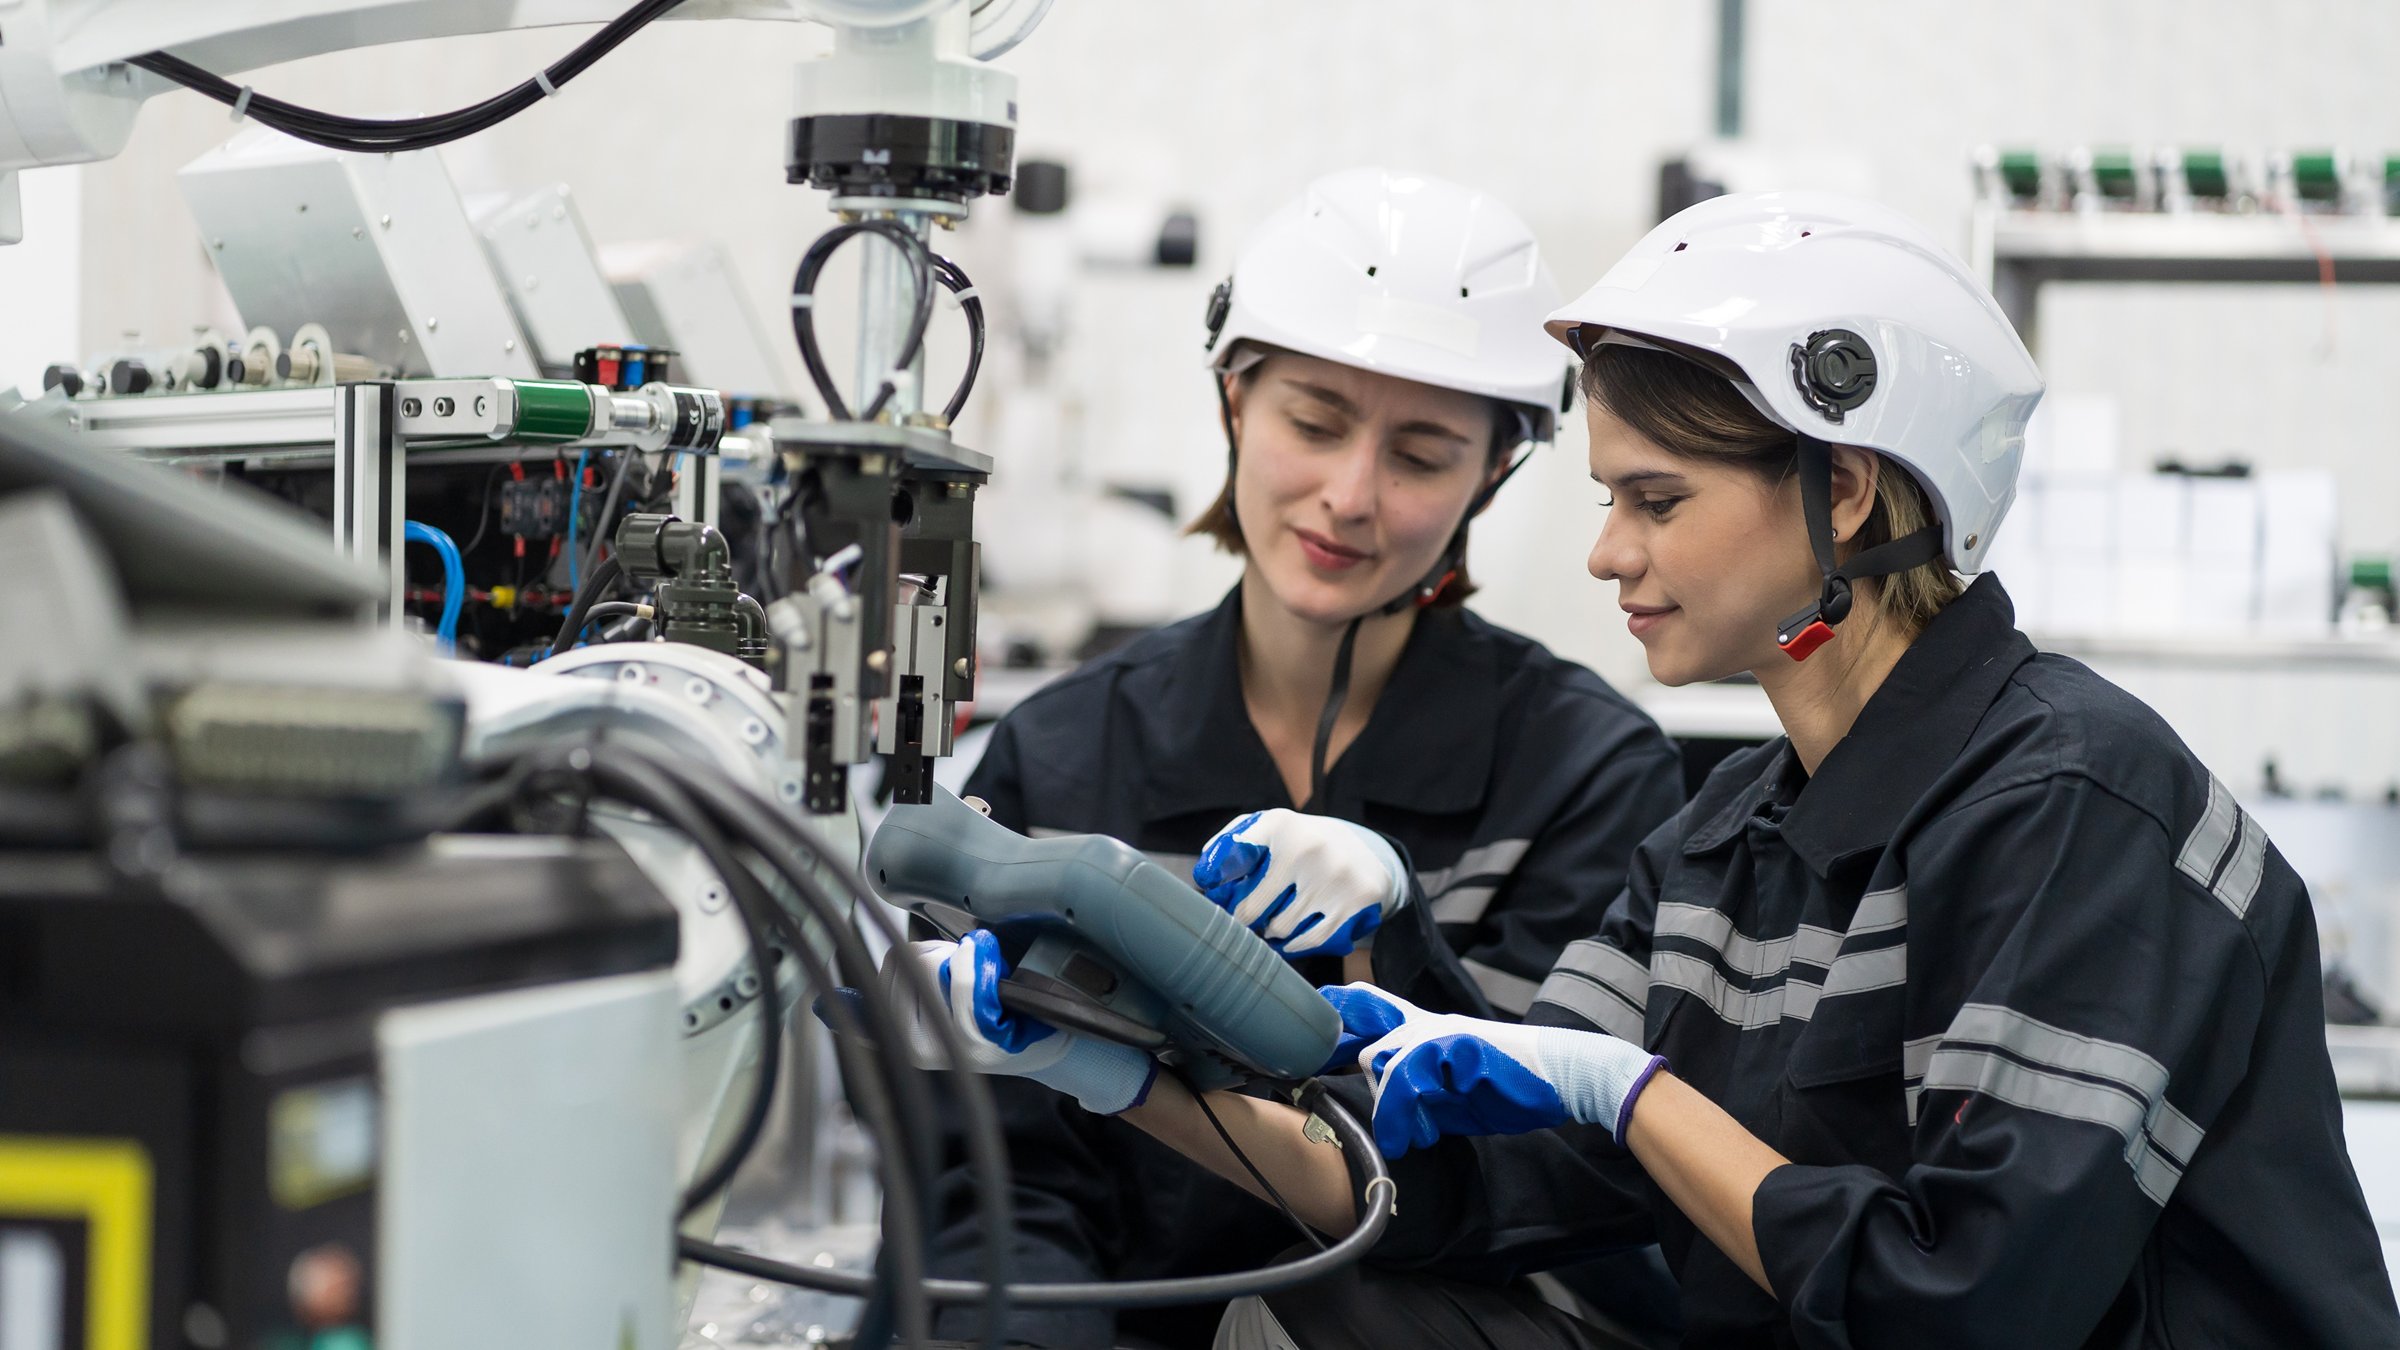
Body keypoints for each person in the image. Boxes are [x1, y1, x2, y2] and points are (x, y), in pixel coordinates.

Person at [894, 190, 2400, 1348]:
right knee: (1357, 1298)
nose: (1609, 551)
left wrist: (1632, 1090)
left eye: (1657, 498)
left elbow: (1965, 1305)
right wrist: (1113, 1067)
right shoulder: (1727, 841)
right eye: (1612, 494)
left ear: (1847, 488)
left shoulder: (2075, 806)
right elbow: (1474, 1194)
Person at [918, 168, 1688, 1349]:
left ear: (1497, 471)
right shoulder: (1066, 751)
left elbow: (1543, 1181)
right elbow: (997, 1185)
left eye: (1423, 455)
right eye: (1314, 423)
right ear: (1235, 397)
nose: (1349, 497)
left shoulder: (1586, 770)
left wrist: (1403, 938)